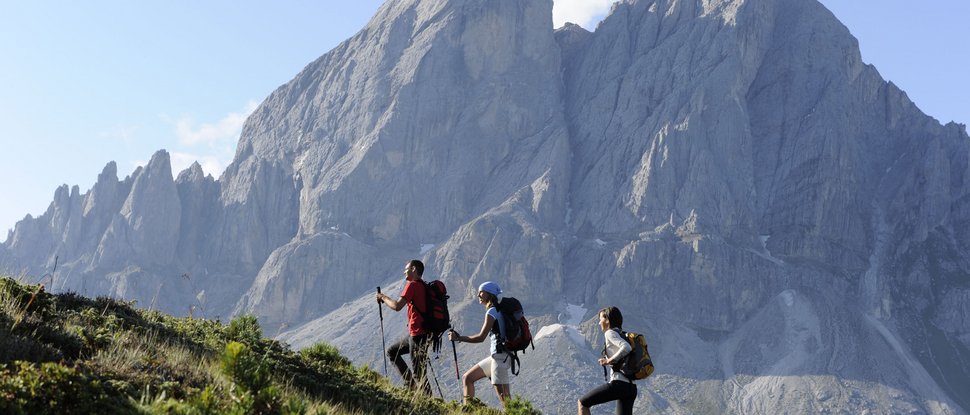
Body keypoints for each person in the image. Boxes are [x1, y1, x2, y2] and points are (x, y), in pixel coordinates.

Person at [448, 281, 511, 407]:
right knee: (468, 378)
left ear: (489, 294)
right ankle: (467, 410)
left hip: (500, 357)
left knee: (504, 396)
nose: (478, 295)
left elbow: (481, 337)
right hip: (499, 356)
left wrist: (458, 338)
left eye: (481, 292)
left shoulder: (492, 311)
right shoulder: (499, 309)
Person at [376, 259, 431, 394]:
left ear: (413, 269)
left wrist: (382, 297)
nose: (404, 272)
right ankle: (411, 387)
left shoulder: (412, 285)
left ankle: (428, 401)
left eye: (406, 269)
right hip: (423, 334)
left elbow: (397, 306)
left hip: (418, 334)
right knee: (392, 352)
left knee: (419, 372)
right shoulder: (424, 286)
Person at [578, 306, 637, 415]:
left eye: (600, 319)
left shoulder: (610, 333)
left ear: (607, 320)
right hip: (631, 388)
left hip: (619, 384)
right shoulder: (623, 335)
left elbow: (626, 347)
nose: (599, 323)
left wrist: (608, 361)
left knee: (583, 403)